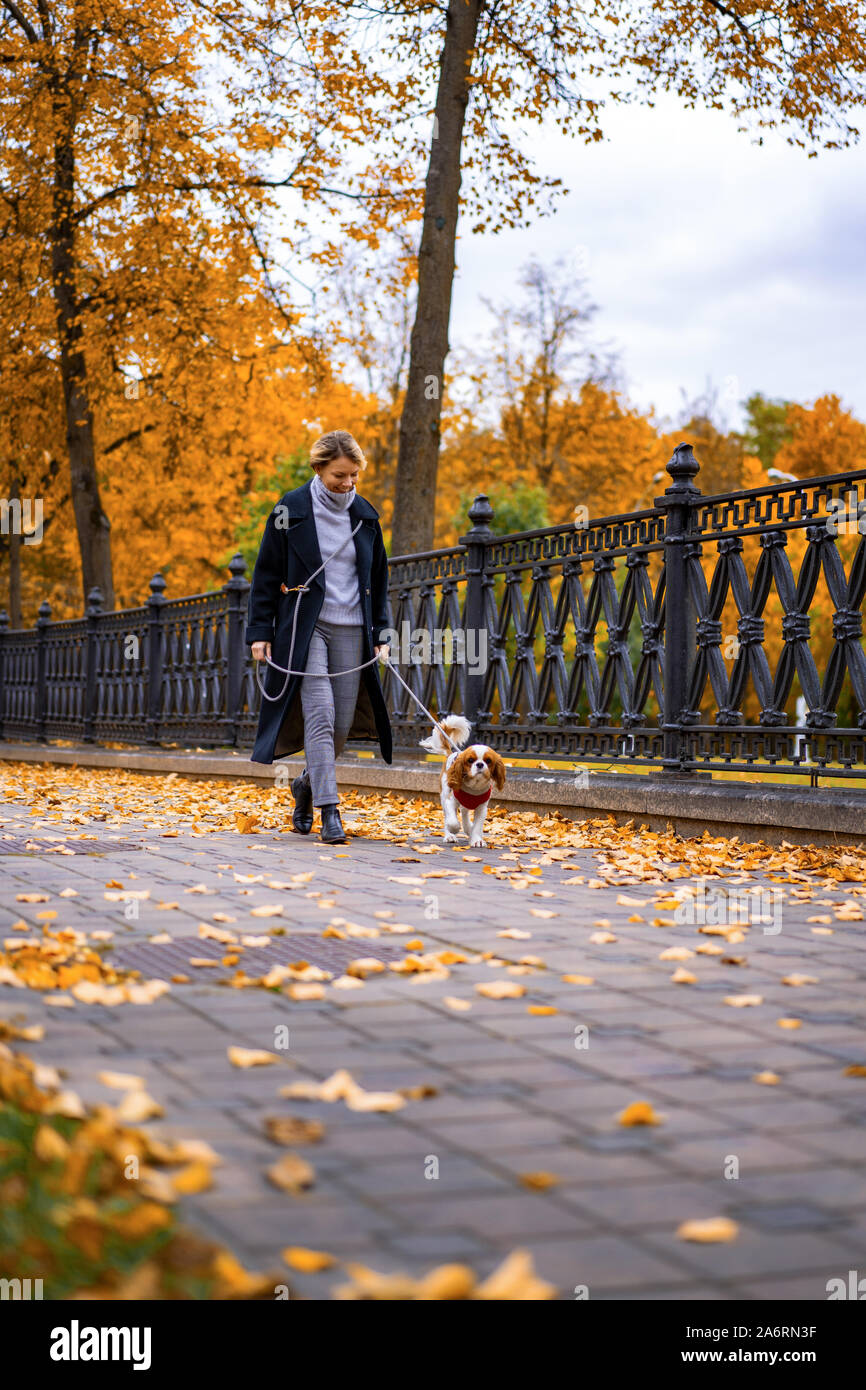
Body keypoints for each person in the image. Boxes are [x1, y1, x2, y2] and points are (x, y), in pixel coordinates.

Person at [245, 430, 393, 843]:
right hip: (306, 628)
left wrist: (381, 632)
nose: (347, 484)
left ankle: (305, 785)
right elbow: (266, 573)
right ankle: (331, 811)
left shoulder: (365, 515)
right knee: (321, 713)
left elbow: (378, 580)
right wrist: (260, 631)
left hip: (351, 628)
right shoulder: (289, 508)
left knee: (341, 724)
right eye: (339, 476)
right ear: (319, 468)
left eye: (354, 476)